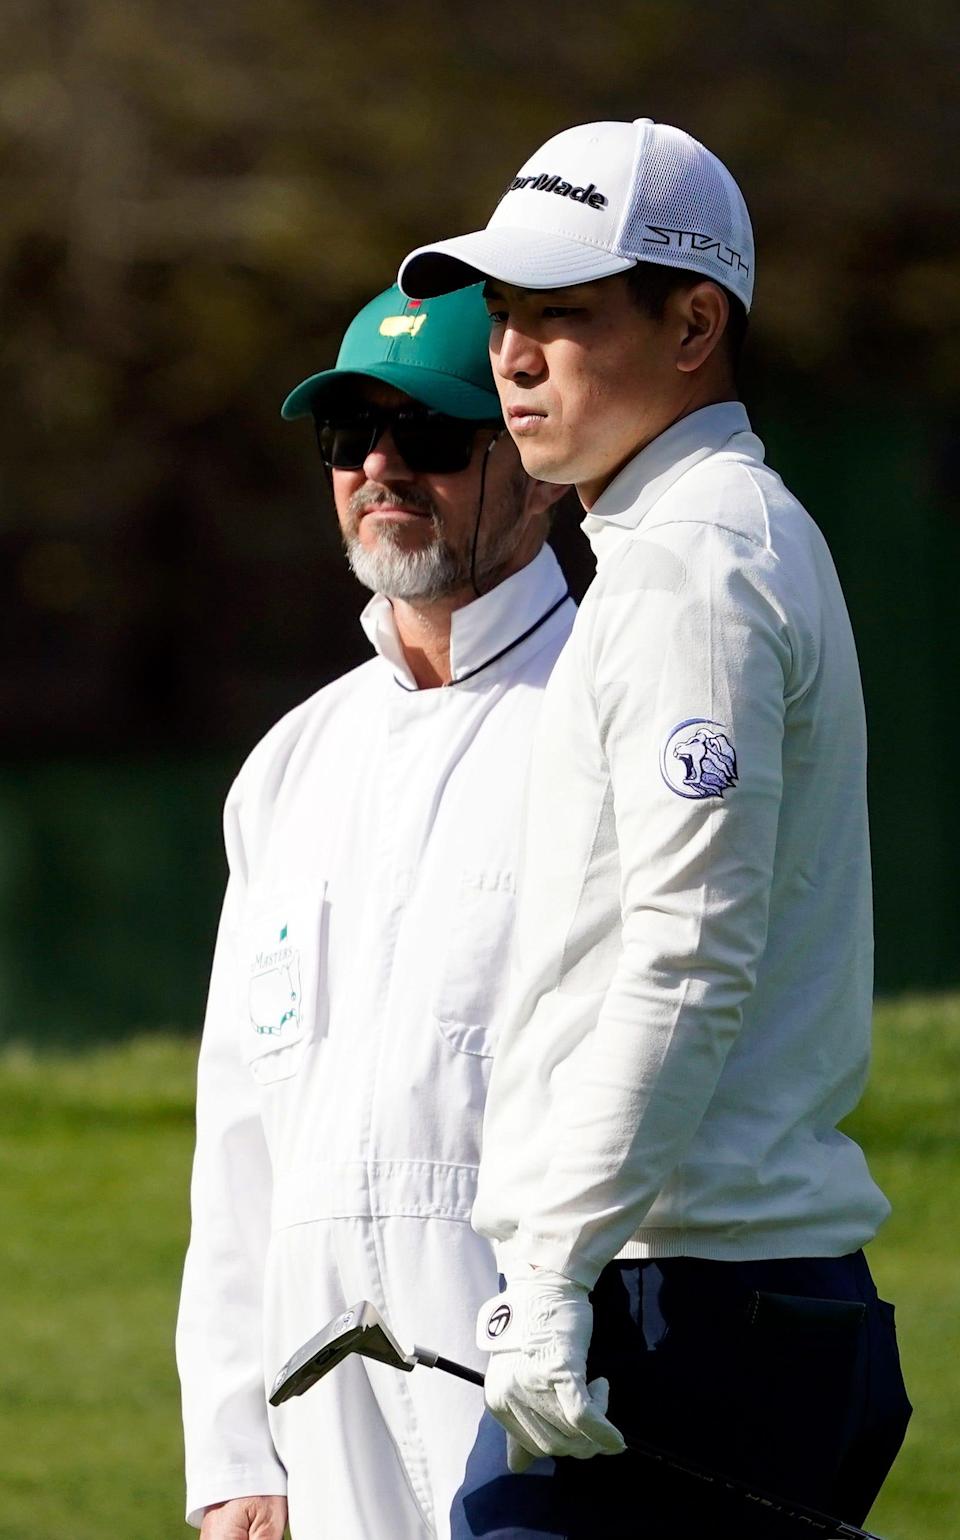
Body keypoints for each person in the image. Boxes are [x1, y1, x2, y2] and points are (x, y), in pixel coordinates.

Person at [398, 118, 912, 1538]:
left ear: (695, 321)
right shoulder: (697, 538)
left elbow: (688, 953)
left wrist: (554, 1273)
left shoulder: (695, 565)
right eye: (504, 318)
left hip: (683, 1301)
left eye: (561, 317)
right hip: (713, 1290)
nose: (511, 357)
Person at [175, 282, 573, 1540]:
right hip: (315, 1385)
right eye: (351, 436)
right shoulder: (293, 761)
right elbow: (240, 1130)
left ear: (542, 470)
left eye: (436, 435)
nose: (383, 467)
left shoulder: (611, 705)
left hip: (538, 1363)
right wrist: (235, 1444)